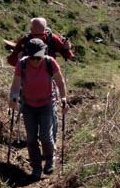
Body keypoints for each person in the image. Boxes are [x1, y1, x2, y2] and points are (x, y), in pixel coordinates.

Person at [7, 17, 74, 146]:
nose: (38, 37)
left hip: (49, 77)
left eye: (41, 34)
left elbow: (67, 56)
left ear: (45, 31)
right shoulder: (24, 41)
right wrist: (19, 60)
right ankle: (34, 141)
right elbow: (11, 60)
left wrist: (67, 48)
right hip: (28, 80)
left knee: (51, 111)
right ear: (31, 31)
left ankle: (51, 142)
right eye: (35, 35)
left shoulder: (52, 39)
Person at [8, 38, 69, 178]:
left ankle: (49, 160)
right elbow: (16, 85)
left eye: (38, 57)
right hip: (28, 105)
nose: (35, 61)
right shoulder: (22, 64)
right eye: (32, 57)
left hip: (47, 103)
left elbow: (60, 83)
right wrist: (13, 98)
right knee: (31, 139)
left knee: (45, 136)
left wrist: (64, 100)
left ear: (43, 54)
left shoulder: (50, 62)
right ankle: (36, 167)